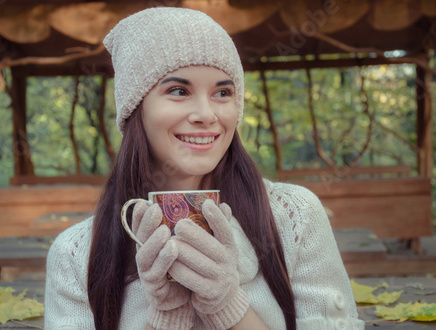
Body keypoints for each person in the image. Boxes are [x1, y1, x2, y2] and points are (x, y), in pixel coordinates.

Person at [44, 7, 365, 330]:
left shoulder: (294, 217)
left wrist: (228, 306)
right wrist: (167, 316)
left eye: (222, 93)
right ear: (135, 110)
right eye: (179, 91)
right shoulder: (75, 254)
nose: (206, 114)